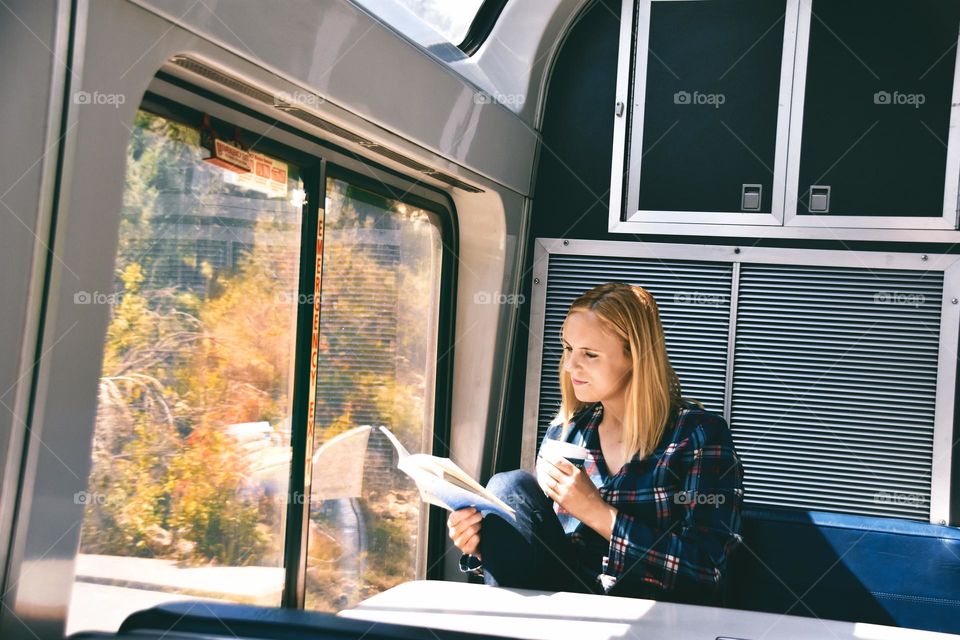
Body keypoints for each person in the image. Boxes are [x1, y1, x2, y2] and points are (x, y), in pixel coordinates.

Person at [447, 282, 744, 604]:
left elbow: (704, 573)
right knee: (510, 486)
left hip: (654, 618)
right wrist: (487, 545)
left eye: (589, 354)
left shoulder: (697, 436)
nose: (570, 365)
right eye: (568, 348)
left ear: (635, 357)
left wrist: (597, 513)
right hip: (570, 611)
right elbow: (543, 556)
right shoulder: (565, 434)